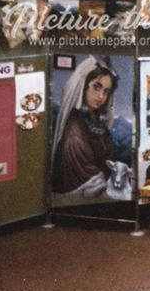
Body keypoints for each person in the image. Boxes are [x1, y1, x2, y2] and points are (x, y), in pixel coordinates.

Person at [51, 56, 120, 195]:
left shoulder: (94, 119)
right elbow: (90, 182)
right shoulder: (75, 132)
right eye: (96, 87)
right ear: (83, 86)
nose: (101, 96)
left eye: (106, 91)